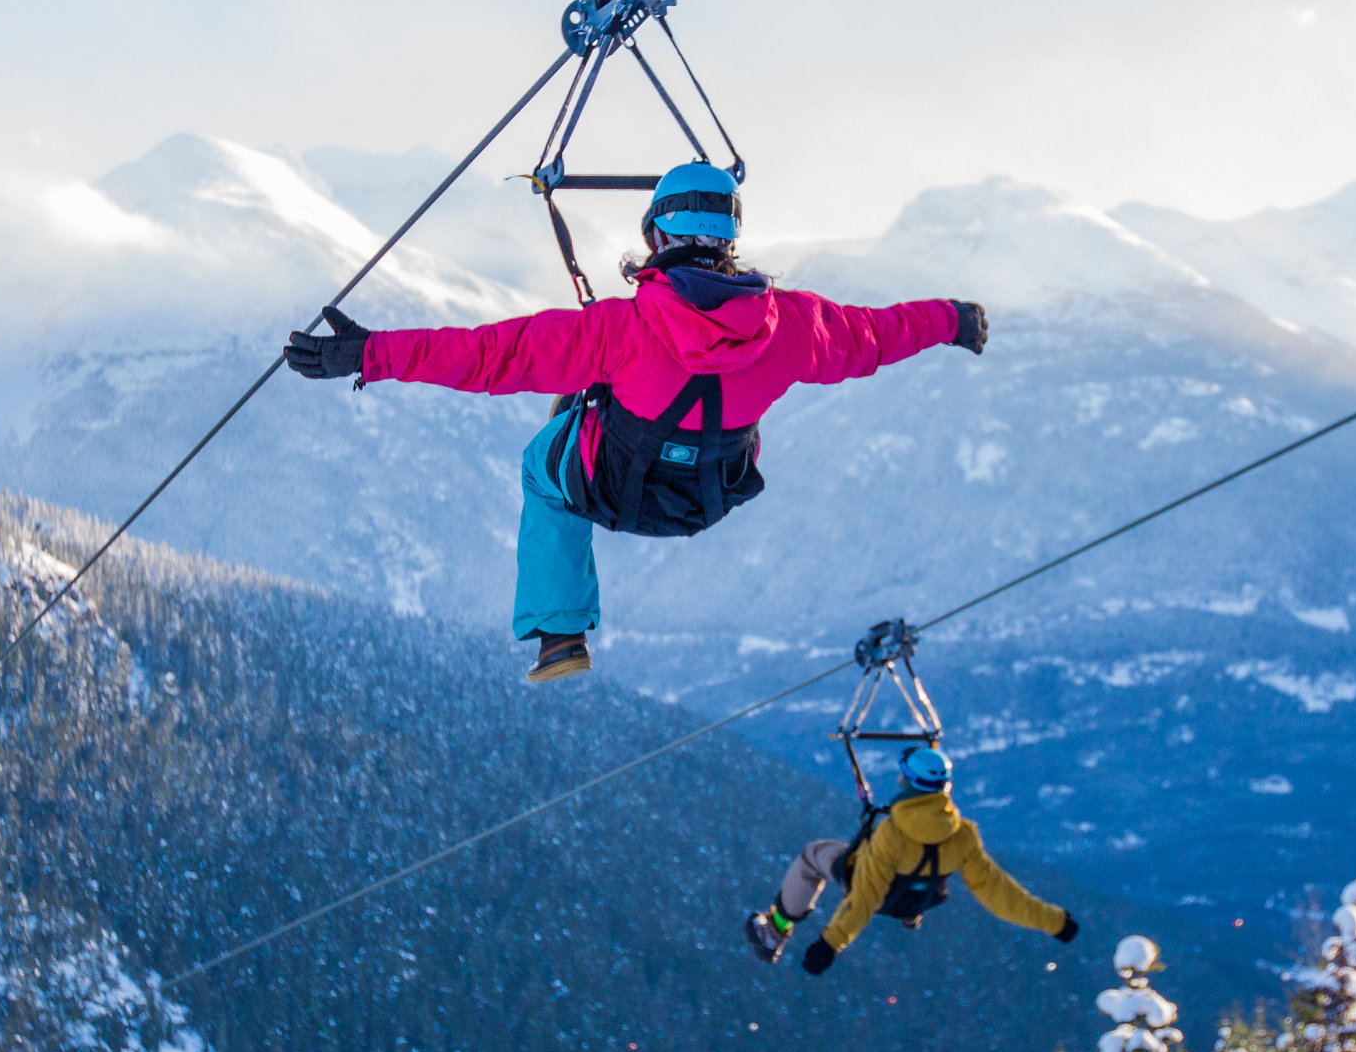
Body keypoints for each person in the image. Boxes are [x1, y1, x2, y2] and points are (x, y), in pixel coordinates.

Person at [282, 161, 986, 682]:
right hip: (704, 498)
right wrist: (952, 319)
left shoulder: (620, 329)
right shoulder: (794, 326)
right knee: (596, 427)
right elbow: (878, 334)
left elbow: (489, 356)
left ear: (656, 234)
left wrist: (370, 352)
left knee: (543, 464)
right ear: (730, 240)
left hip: (614, 488)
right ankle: (560, 627)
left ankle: (560, 635)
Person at [747, 744, 1080, 972]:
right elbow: (1000, 894)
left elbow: (865, 895)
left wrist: (830, 944)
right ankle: (909, 913)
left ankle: (775, 932)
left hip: (878, 890)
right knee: (912, 876)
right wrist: (1054, 921)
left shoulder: (893, 834)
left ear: (907, 782)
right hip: (919, 900)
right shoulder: (962, 835)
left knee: (813, 856)